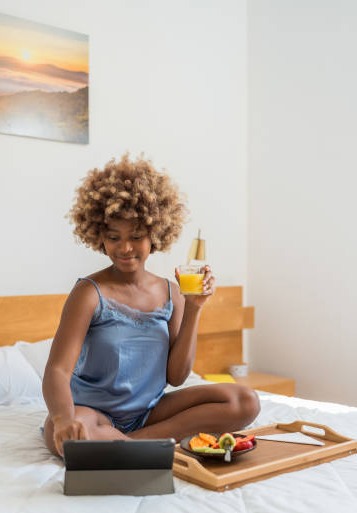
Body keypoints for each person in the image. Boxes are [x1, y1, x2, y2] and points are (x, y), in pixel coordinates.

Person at [42, 153, 260, 458]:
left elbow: (177, 377)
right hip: (91, 413)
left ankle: (127, 444)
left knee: (245, 401)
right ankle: (127, 444)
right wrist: (64, 419)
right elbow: (57, 370)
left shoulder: (173, 292)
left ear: (155, 234)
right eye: (113, 237)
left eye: (136, 236)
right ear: (99, 237)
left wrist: (195, 307)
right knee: (63, 433)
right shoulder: (89, 293)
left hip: (150, 412)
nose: (125, 247)